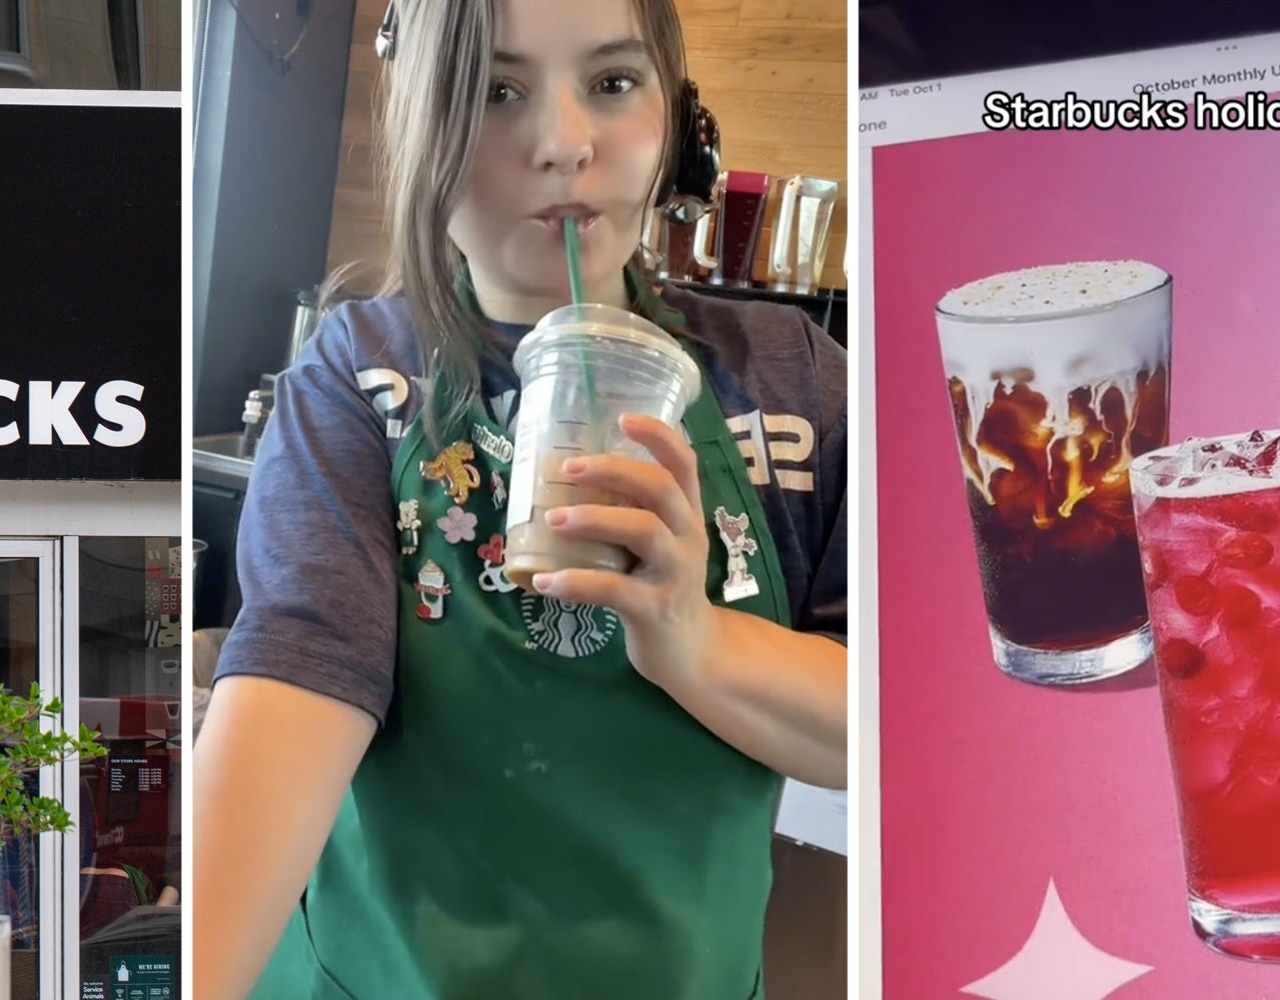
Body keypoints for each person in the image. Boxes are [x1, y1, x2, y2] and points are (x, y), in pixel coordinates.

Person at [193, 0, 848, 996]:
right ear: (420, 128)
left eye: (612, 84)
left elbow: (893, 734)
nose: (562, 144)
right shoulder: (361, 378)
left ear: (674, 117)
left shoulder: (788, 385)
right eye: (496, 93)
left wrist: (693, 640)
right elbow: (298, 677)